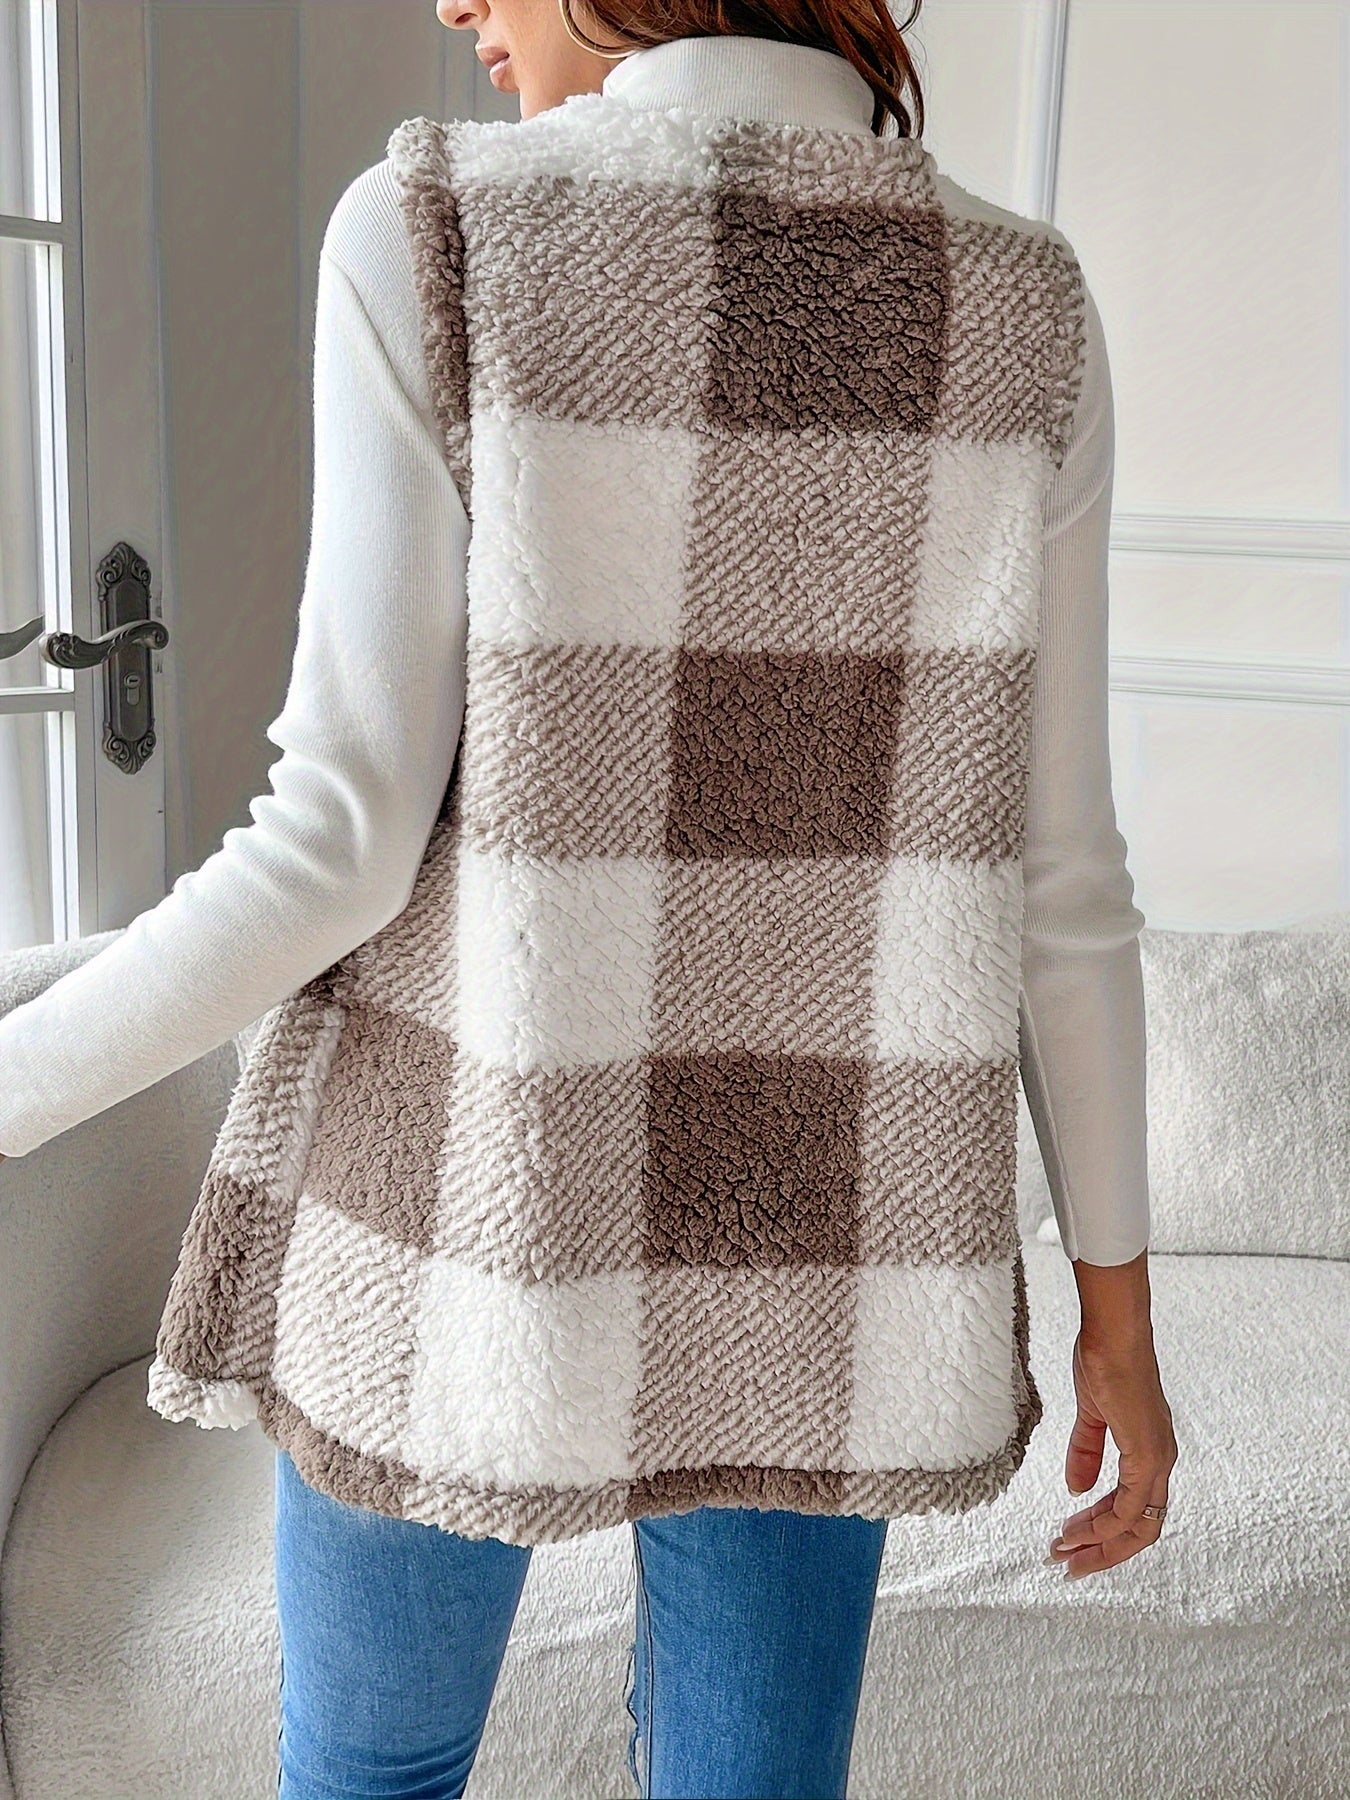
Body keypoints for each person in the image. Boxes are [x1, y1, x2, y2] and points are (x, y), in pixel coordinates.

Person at [0, 0, 1178, 1794]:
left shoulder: (436, 232)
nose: (458, 5)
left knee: (372, 1777)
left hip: (447, 1207)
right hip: (822, 1239)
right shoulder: (1023, 302)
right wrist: (1118, 1324)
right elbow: (1062, 883)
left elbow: (334, 845)